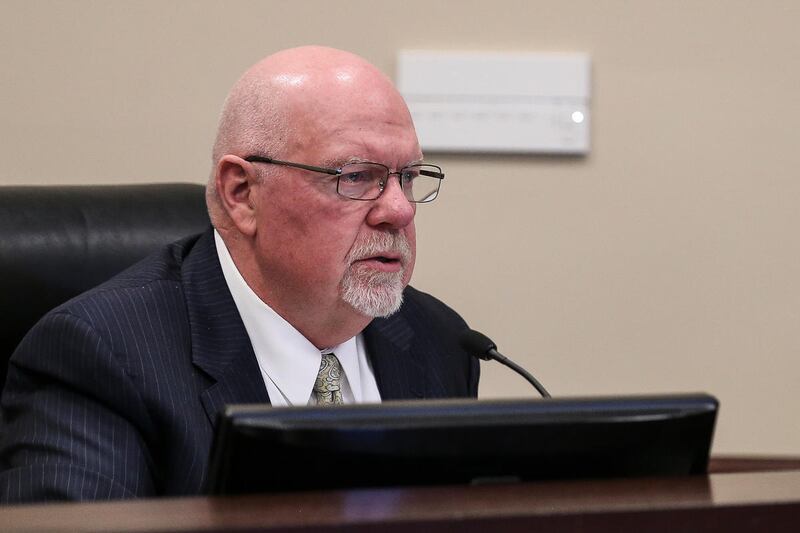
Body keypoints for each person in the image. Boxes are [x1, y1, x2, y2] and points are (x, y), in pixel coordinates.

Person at [0, 46, 478, 502]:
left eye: (409, 177)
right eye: (354, 176)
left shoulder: (440, 342)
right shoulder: (102, 358)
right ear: (243, 193)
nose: (398, 209)